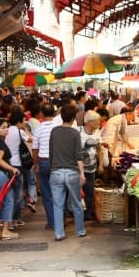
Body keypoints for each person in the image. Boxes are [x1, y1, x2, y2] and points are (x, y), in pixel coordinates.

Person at [49, 103, 86, 241]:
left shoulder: (54, 131)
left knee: (58, 205)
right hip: (72, 173)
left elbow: (51, 153)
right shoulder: (75, 133)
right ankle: (80, 231)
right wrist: (82, 173)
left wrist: (52, 168)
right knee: (76, 203)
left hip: (56, 172)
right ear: (73, 118)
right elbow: (78, 156)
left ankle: (59, 233)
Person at [32, 103, 58, 230]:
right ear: (53, 113)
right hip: (58, 162)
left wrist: (35, 163)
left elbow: (35, 149)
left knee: (47, 194)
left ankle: (52, 223)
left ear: (41, 114)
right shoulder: (58, 126)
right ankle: (60, 220)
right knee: (59, 192)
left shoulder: (38, 128)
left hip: (44, 162)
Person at [5, 110, 30, 229]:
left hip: (6, 164)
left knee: (8, 192)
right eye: (23, 121)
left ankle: (7, 220)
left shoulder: (5, 130)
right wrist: (26, 130)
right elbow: (32, 139)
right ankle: (16, 218)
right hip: (17, 164)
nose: (24, 123)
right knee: (18, 192)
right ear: (19, 121)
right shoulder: (20, 132)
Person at [79, 110, 102, 219]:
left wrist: (101, 164)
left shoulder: (97, 132)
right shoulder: (78, 132)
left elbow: (99, 149)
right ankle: (77, 212)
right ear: (89, 122)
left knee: (89, 192)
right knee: (78, 192)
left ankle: (86, 214)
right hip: (79, 168)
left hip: (92, 168)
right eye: (96, 121)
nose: (99, 123)